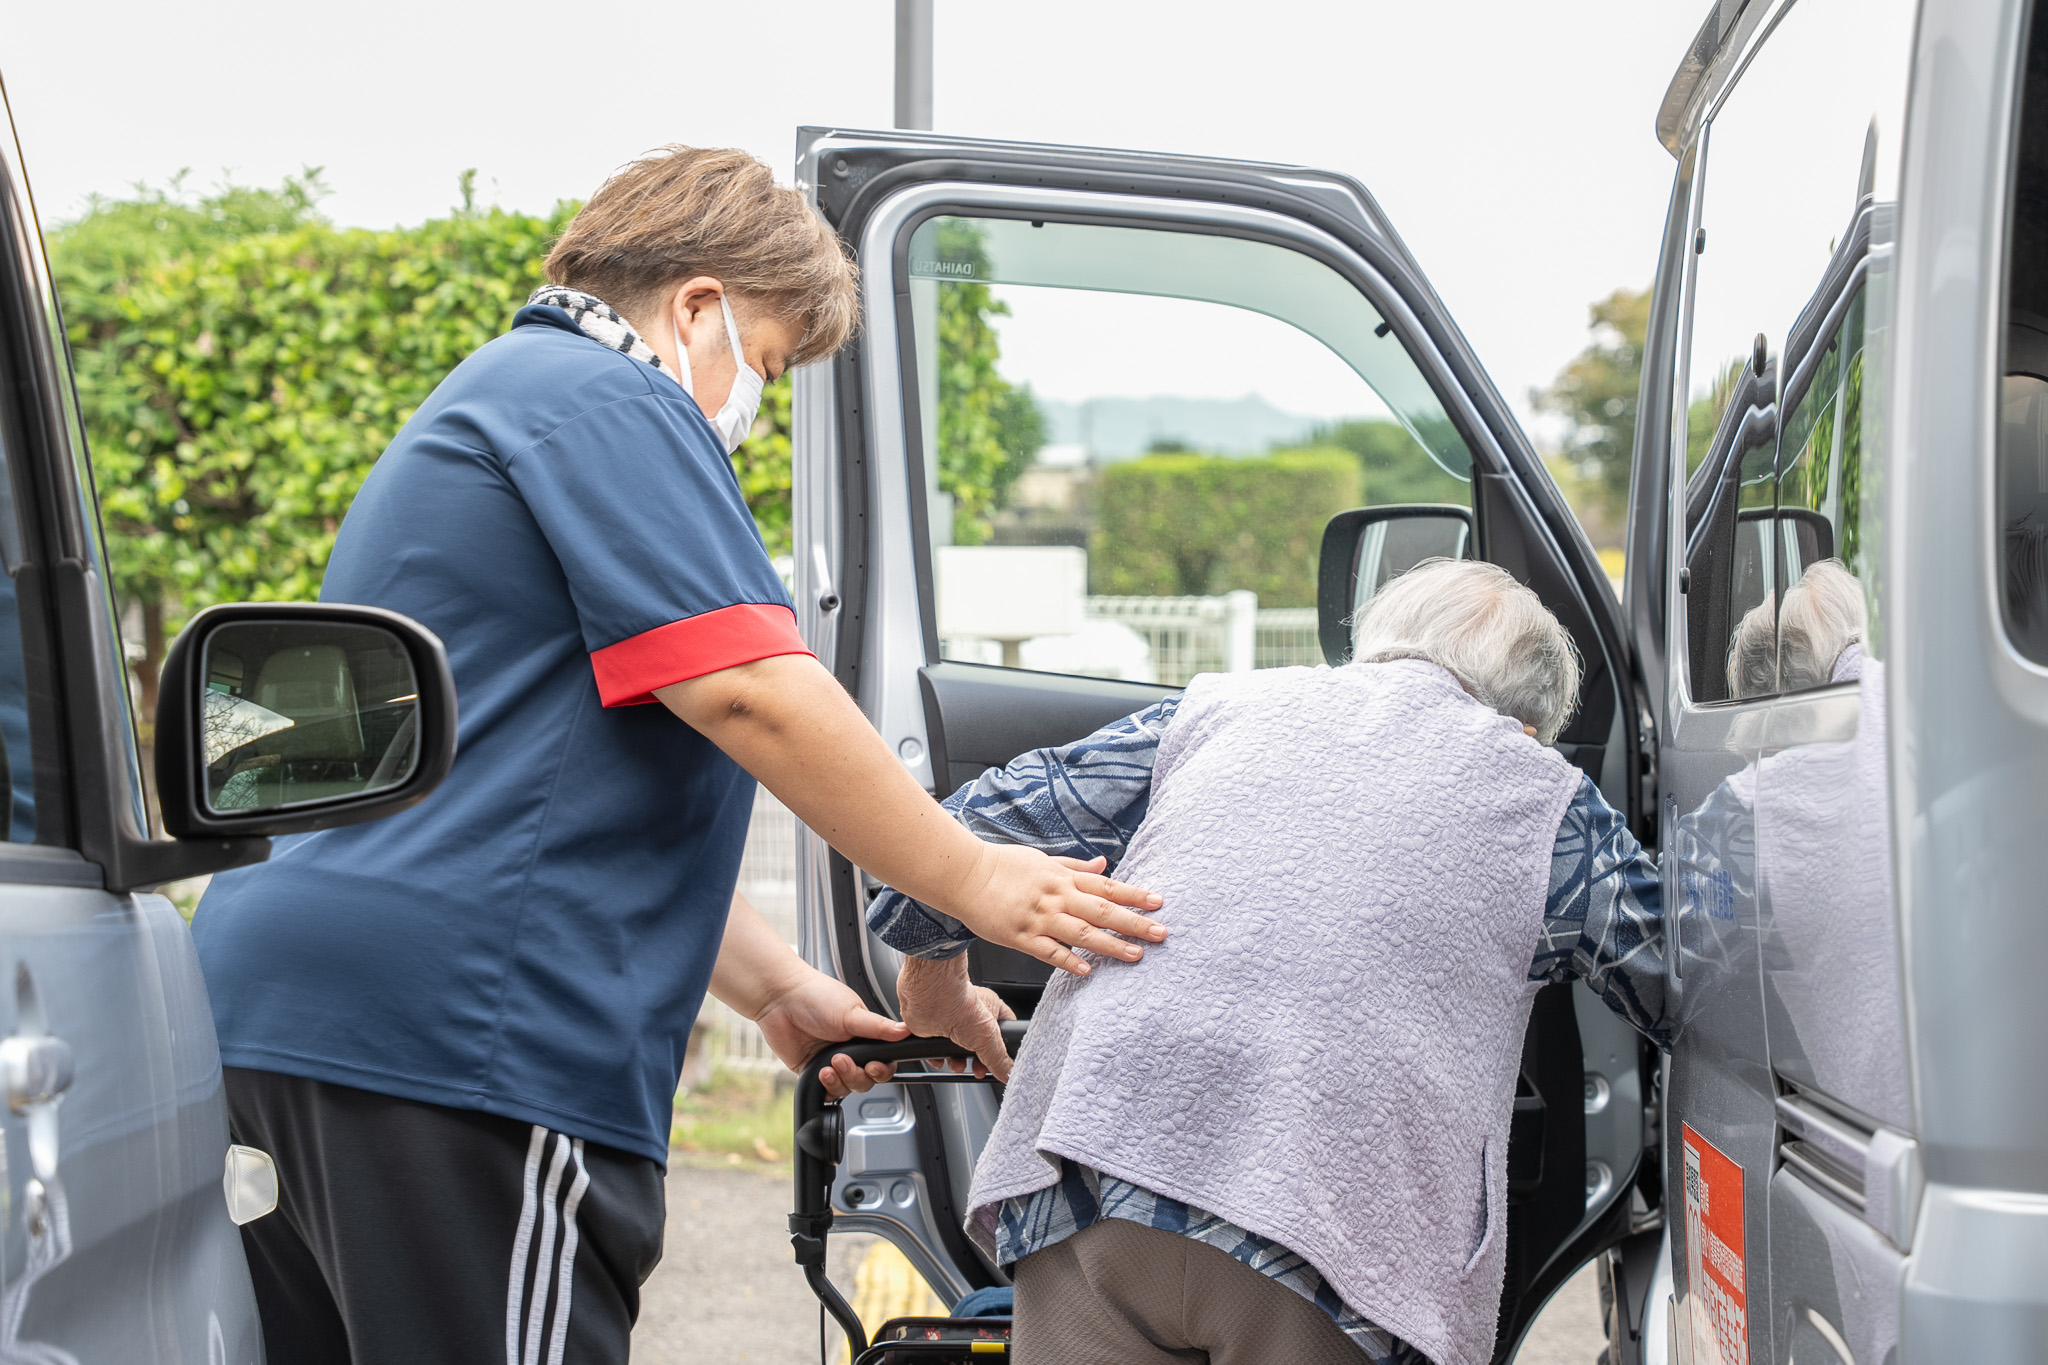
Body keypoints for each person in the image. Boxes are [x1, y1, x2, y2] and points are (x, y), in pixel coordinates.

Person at [190, 146, 1164, 1365]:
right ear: (697, 306)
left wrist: (779, 992)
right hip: (467, 1036)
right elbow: (751, 692)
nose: (754, 407)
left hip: (310, 1013)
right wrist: (975, 878)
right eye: (768, 363)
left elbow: (539, 786)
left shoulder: (497, 399)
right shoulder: (608, 397)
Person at [869, 559, 1673, 1365]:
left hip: (1093, 1167)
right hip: (1320, 1231)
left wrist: (935, 977)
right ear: (1527, 728)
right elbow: (1686, 980)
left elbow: (957, 833)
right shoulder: (1548, 801)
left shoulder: (1218, 708)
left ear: (1370, 647)